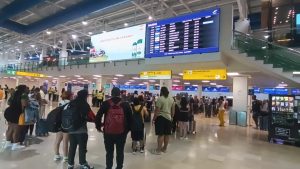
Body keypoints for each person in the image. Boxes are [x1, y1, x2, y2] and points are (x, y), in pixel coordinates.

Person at [95, 87, 132, 169]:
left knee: (109, 152)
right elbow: (130, 119)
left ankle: (109, 167)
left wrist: (98, 127)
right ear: (120, 94)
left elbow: (98, 116)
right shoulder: (125, 104)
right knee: (120, 152)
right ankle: (119, 167)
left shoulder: (106, 103)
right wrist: (127, 130)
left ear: (111, 94)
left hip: (108, 132)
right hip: (121, 133)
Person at [67, 90, 94, 169]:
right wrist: (99, 123)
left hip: (71, 129)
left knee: (72, 147)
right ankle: (83, 163)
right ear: (85, 96)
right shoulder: (85, 104)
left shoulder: (71, 103)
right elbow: (91, 116)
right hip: (81, 130)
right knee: (82, 147)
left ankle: (70, 164)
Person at [4, 85, 28, 151]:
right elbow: (24, 104)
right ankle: (15, 145)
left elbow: (9, 102)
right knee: (16, 129)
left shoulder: (14, 93)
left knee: (10, 128)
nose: (27, 89)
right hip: (17, 113)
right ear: (23, 89)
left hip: (9, 111)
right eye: (26, 88)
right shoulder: (24, 94)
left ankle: (7, 143)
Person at [152, 87, 175, 155]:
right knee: (167, 134)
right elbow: (173, 112)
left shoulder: (160, 99)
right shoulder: (172, 99)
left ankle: (158, 150)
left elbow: (157, 111)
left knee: (161, 134)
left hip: (161, 118)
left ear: (161, 91)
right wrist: (171, 117)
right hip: (169, 118)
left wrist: (153, 119)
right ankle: (164, 149)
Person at [54, 91, 72, 162]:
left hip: (59, 122)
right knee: (65, 141)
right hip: (67, 123)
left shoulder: (60, 102)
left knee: (57, 140)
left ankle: (56, 155)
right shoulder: (70, 103)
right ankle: (65, 157)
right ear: (69, 96)